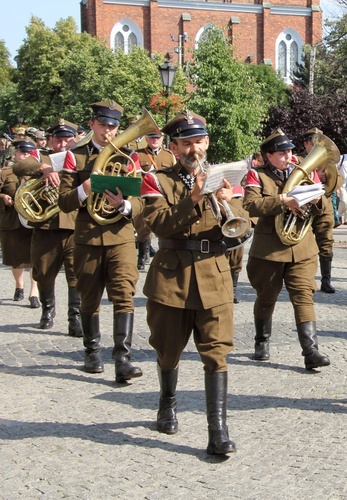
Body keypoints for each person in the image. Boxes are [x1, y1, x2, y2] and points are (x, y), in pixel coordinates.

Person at [141, 110, 247, 455]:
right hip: (172, 277)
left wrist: (232, 206)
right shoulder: (156, 180)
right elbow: (158, 224)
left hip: (214, 275)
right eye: (186, 143)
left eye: (199, 141)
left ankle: (218, 430)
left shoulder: (226, 177)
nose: (194, 149)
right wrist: (195, 198)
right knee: (167, 349)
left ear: (207, 142)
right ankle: (167, 400)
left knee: (217, 354)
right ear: (174, 146)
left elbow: (241, 226)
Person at [58, 100, 144, 383]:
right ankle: (91, 351)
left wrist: (125, 206)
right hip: (88, 238)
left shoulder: (130, 157)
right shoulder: (75, 156)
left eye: (114, 126)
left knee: (124, 296)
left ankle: (123, 359)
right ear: (93, 124)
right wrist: (85, 187)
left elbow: (141, 200)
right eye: (104, 124)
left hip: (120, 237)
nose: (109, 130)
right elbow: (64, 202)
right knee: (89, 297)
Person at [243, 128, 331, 370]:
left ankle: (311, 350)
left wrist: (316, 199)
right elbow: (250, 205)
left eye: (290, 151)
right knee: (266, 296)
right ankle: (262, 341)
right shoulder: (256, 175)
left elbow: (322, 206)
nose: (289, 156)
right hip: (269, 249)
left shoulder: (305, 171)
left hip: (301, 247)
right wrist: (283, 201)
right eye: (282, 153)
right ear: (268, 156)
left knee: (303, 295)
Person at [12, 119, 81, 334]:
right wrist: (44, 168)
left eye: (67, 140)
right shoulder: (40, 156)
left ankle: (75, 318)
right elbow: (19, 166)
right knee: (43, 272)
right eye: (58, 140)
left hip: (73, 224)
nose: (62, 144)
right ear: (50, 141)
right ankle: (48, 310)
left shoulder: (79, 157)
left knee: (75, 273)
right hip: (45, 226)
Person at [300, 127, 342, 294]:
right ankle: (305, 280)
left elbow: (338, 183)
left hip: (324, 206)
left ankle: (326, 280)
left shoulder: (327, 161)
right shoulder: (298, 160)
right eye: (314, 142)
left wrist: (330, 176)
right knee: (304, 244)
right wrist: (315, 175)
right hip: (306, 206)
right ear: (306, 144)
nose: (318, 145)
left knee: (326, 244)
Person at [0, 139, 40, 308]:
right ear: (15, 154)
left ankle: (34, 292)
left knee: (36, 258)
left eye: (29, 153)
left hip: (33, 219)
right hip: (12, 221)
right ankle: (19, 285)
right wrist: (3, 197)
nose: (25, 156)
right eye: (22, 153)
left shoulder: (38, 173)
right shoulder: (5, 172)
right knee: (16, 258)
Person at [135, 131, 177, 270]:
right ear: (146, 138)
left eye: (157, 137)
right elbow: (135, 175)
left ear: (162, 138)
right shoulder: (138, 154)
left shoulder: (169, 155)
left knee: (164, 226)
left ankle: (162, 256)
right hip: (145, 196)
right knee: (142, 227)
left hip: (164, 196)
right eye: (152, 137)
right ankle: (142, 256)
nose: (155, 140)